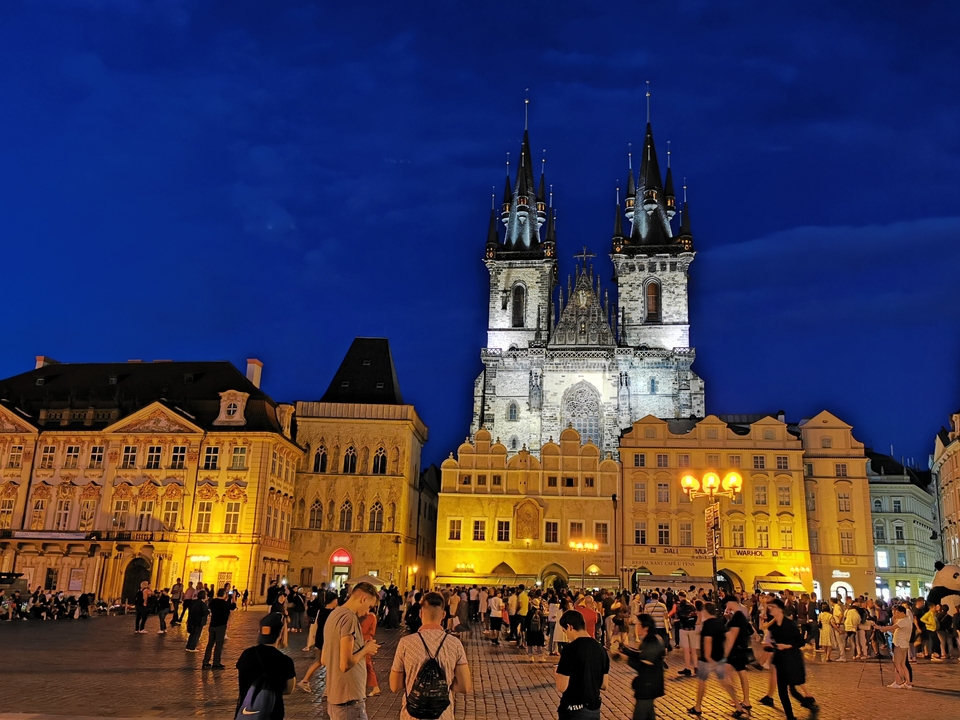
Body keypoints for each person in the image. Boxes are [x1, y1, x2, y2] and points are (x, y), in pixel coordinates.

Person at [390, 591, 472, 720]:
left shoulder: (406, 643)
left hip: (412, 714)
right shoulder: (454, 644)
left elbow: (395, 686)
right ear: (444, 615)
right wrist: (445, 684)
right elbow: (465, 686)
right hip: (442, 714)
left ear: (421, 613)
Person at [322, 582, 381, 720]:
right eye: (370, 606)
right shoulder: (349, 618)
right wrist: (366, 649)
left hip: (335, 694)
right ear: (363, 599)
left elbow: (324, 659)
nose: (368, 612)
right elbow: (345, 664)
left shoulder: (334, 614)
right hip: (349, 698)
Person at [687, 602, 747, 718]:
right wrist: (724, 655)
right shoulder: (720, 624)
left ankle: (698, 707)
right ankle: (738, 706)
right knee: (725, 683)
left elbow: (708, 643)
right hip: (719, 658)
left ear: (705, 611)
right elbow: (729, 637)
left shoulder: (707, 626)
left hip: (707, 660)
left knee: (701, 683)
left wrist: (710, 659)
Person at [236, 613, 296, 720]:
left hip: (245, 712)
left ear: (260, 632)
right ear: (280, 634)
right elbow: (288, 689)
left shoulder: (247, 654)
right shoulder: (285, 661)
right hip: (271, 713)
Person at [767, 598, 817, 719]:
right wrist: (771, 646)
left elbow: (800, 642)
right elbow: (773, 641)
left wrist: (786, 646)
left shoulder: (790, 625)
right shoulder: (773, 626)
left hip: (791, 659)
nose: (769, 609)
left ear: (779, 609)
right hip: (780, 659)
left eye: (772, 607)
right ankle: (790, 716)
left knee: (793, 688)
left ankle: (810, 705)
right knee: (782, 690)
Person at [555, 609, 609, 720]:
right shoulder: (600, 649)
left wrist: (557, 673)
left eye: (565, 631)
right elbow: (604, 685)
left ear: (570, 627)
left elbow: (561, 687)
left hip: (574, 710)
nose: (566, 634)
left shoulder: (569, 649)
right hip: (594, 709)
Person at [617, 613, 665, 720]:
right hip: (649, 685)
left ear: (646, 627)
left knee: (640, 715)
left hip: (648, 686)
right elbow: (640, 654)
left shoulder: (652, 641)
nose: (636, 627)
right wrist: (626, 649)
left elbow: (644, 664)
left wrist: (626, 658)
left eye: (638, 624)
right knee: (648, 715)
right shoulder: (650, 639)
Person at [300, 590, 339, 693]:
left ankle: (305, 680)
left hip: (319, 639)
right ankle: (328, 689)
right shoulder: (332, 613)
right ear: (333, 600)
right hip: (327, 641)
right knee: (330, 664)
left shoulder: (321, 610)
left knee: (320, 662)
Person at [723, 596, 755, 712]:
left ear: (732, 603)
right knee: (741, 675)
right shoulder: (740, 615)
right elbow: (750, 630)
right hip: (742, 648)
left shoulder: (737, 617)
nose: (726, 607)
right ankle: (745, 700)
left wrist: (725, 655)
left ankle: (736, 700)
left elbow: (732, 637)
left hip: (735, 650)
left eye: (727, 604)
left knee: (725, 676)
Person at [875, 604, 913, 688]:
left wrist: (881, 627)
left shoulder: (903, 621)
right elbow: (894, 630)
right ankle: (908, 682)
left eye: (896, 613)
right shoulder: (907, 620)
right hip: (904, 644)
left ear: (901, 612)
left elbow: (893, 627)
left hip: (899, 644)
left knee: (897, 664)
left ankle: (898, 682)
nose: (895, 615)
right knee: (903, 664)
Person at [202, 587, 236, 669]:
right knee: (219, 645)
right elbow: (232, 606)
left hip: (212, 625)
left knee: (210, 644)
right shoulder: (224, 604)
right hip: (220, 626)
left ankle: (206, 662)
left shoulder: (213, 602)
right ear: (224, 595)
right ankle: (216, 663)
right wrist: (233, 597)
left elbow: (225, 604)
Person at [360, 606, 381, 697]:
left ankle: (372, 687)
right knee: (367, 665)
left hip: (366, 641)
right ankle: (374, 687)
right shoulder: (371, 616)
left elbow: (364, 630)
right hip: (365, 641)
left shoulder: (370, 617)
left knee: (366, 665)